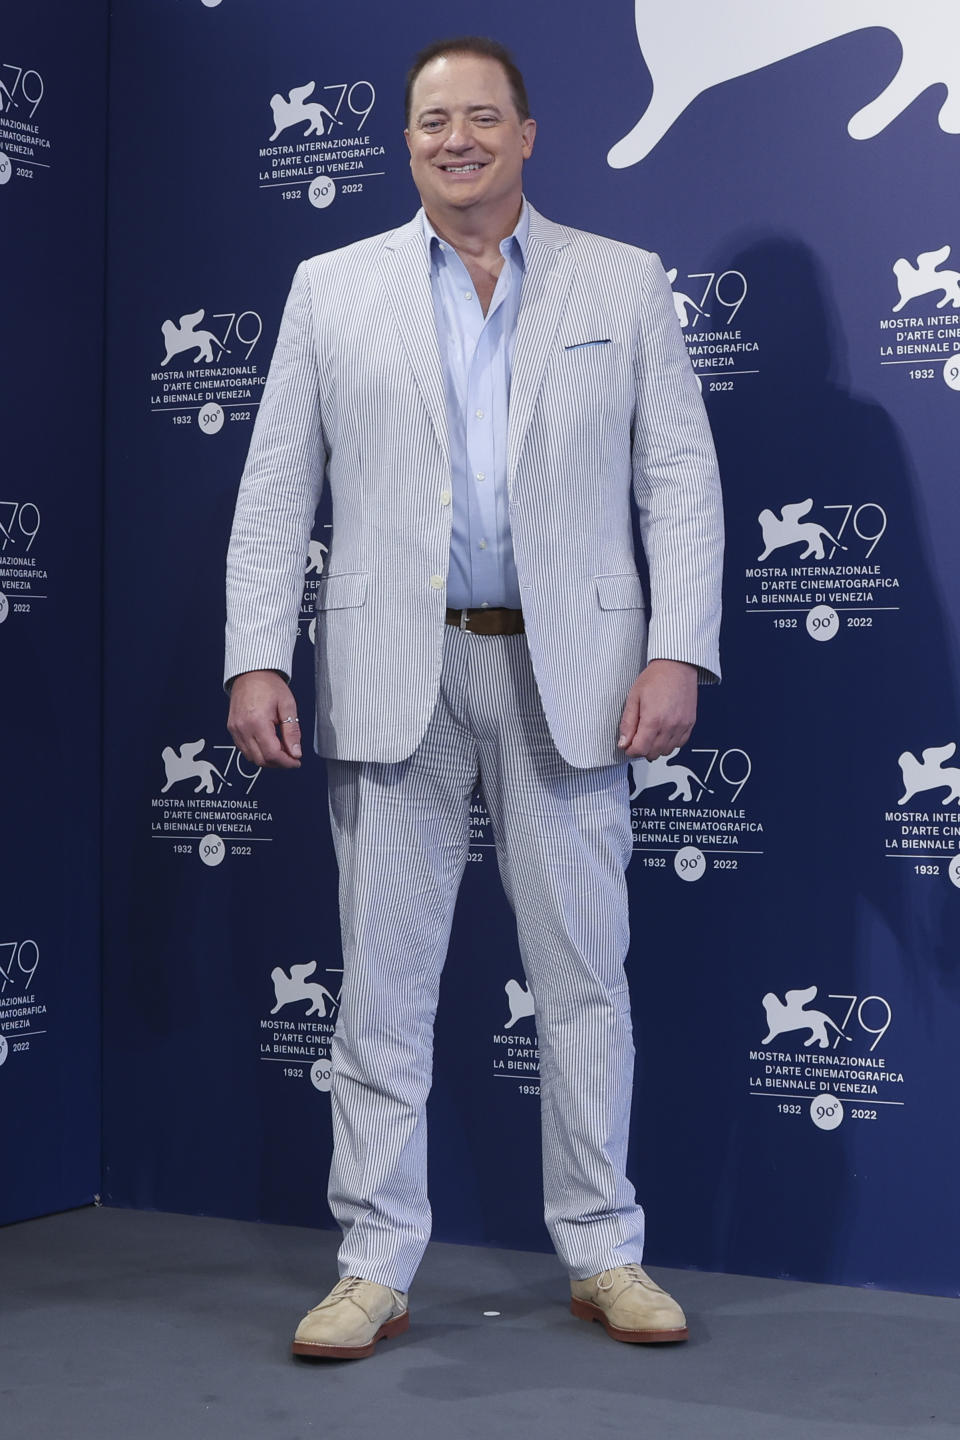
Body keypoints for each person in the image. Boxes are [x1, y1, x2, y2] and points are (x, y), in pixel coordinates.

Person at [225, 35, 723, 1360]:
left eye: (482, 118)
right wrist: (256, 654)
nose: (458, 138)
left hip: (575, 678)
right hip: (397, 673)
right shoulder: (331, 289)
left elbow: (678, 477)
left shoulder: (623, 281)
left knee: (584, 983)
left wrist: (680, 647)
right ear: (405, 141)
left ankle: (605, 1252)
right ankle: (373, 1263)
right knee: (381, 990)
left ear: (526, 134)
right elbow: (277, 488)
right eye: (434, 120)